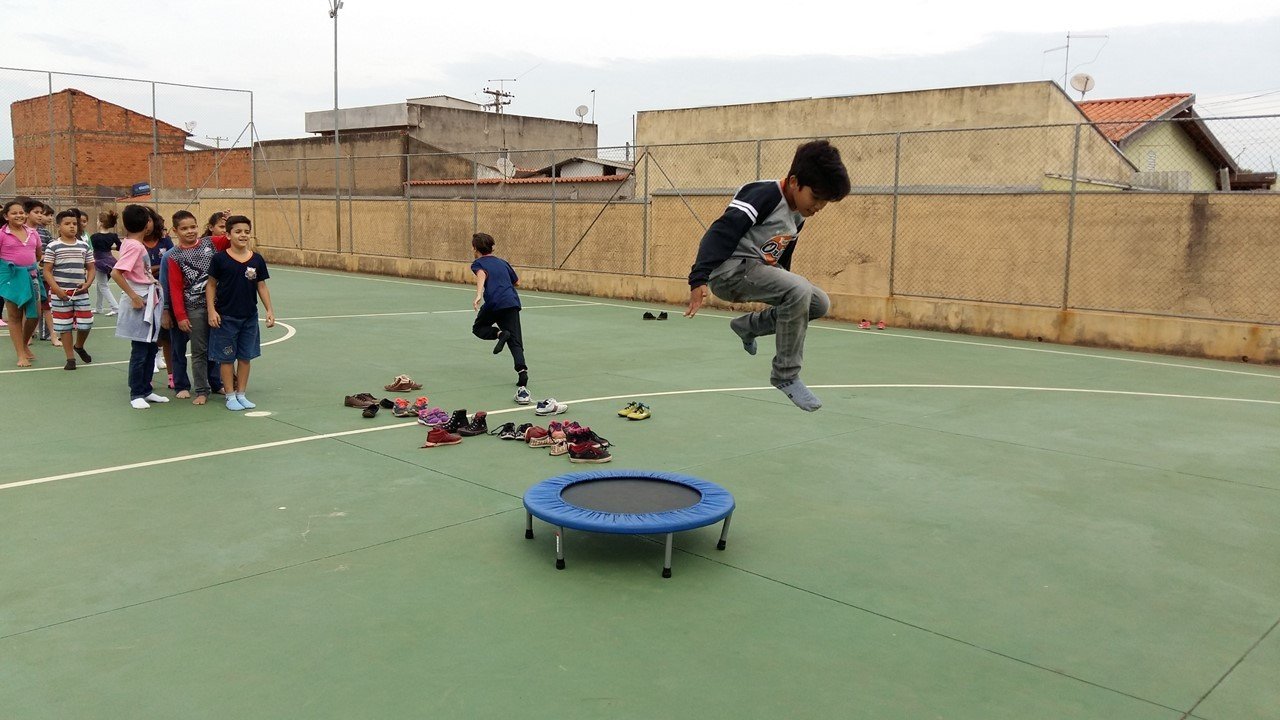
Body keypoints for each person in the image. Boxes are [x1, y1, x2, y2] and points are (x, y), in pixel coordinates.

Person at [684, 139, 851, 412]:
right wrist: (698, 278)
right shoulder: (763, 195)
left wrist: (787, 285)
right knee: (799, 289)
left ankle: (747, 326)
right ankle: (785, 375)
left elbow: (782, 252)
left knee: (818, 302)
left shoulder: (798, 214)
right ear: (796, 182)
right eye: (817, 197)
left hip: (757, 270)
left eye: (825, 201)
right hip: (729, 271)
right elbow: (721, 231)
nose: (819, 206)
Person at [207, 215, 275, 411]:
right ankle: (229, 395)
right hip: (226, 317)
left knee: (245, 357)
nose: (242, 235)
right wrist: (212, 310)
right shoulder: (220, 259)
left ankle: (241, 394)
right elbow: (211, 286)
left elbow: (261, 286)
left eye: (246, 231)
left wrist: (269, 309)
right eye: (238, 231)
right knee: (227, 358)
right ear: (228, 235)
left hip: (249, 317)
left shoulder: (257, 259)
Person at [165, 210, 229, 404]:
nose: (190, 231)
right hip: (194, 308)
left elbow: (230, 238)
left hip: (216, 306)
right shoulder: (174, 256)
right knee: (199, 350)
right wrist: (181, 315)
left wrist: (230, 221)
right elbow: (175, 289)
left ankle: (216, 382)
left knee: (215, 347)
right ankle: (201, 390)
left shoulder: (210, 243)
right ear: (175, 231)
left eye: (193, 227)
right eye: (184, 229)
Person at [110, 204, 169, 409]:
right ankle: (136, 392)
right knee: (141, 349)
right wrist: (134, 296)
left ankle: (146, 390)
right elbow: (116, 273)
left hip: (149, 298)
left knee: (151, 346)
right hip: (142, 300)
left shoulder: (131, 243)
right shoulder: (134, 246)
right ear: (146, 224)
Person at [470, 232, 530, 405]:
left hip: (494, 303)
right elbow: (516, 282)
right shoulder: (503, 263)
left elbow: (482, 275)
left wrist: (478, 295)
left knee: (478, 328)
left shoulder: (478, 263)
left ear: (475, 248)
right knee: (515, 339)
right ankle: (522, 373)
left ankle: (499, 334)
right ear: (492, 247)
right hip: (511, 301)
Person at [41, 210, 95, 370]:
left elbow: (91, 268)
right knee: (64, 326)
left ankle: (79, 346)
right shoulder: (53, 246)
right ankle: (70, 358)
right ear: (58, 226)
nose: (72, 227)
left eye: (74, 224)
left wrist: (88, 283)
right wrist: (56, 290)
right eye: (67, 224)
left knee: (86, 324)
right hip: (61, 294)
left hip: (80, 292)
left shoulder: (84, 246)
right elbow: (47, 271)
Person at [0, 199, 43, 366]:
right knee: (15, 316)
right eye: (14, 213)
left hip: (32, 276)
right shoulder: (2, 234)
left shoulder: (33, 233)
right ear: (6, 216)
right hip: (10, 278)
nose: (19, 215)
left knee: (35, 314)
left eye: (21, 212)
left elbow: (38, 254)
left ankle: (24, 344)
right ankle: (21, 354)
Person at [143, 208, 174, 379]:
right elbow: (139, 270)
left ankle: (159, 354)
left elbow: (171, 261)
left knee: (163, 325)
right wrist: (158, 268)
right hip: (145, 289)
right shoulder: (137, 243)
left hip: (163, 287)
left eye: (149, 220)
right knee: (150, 324)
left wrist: (154, 269)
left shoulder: (165, 241)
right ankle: (152, 357)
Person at [24, 200, 56, 343]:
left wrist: (45, 260)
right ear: (27, 214)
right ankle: (28, 335)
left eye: (41, 213)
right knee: (25, 305)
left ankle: (53, 335)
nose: (40, 216)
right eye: (36, 212)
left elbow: (52, 251)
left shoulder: (44, 233)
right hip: (25, 275)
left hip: (43, 275)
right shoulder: (21, 231)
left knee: (45, 305)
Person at [90, 210, 122, 315]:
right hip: (110, 261)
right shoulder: (112, 236)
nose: (97, 222)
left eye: (98, 221)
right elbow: (120, 246)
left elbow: (92, 249)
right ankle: (99, 307)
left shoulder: (94, 237)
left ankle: (115, 307)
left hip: (99, 262)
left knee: (102, 285)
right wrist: (111, 247)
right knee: (100, 284)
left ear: (101, 223)